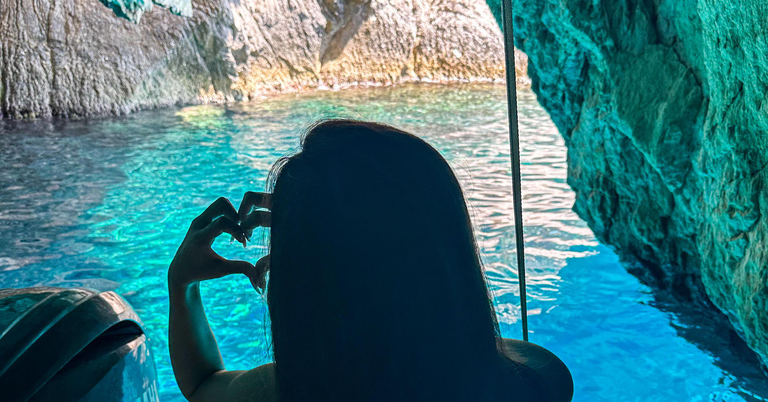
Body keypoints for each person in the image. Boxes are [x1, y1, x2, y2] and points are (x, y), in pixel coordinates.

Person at [168, 120, 574, 402]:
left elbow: (202, 384)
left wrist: (182, 284)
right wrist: (339, 244)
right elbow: (453, 337)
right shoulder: (541, 381)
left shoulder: (282, 394)